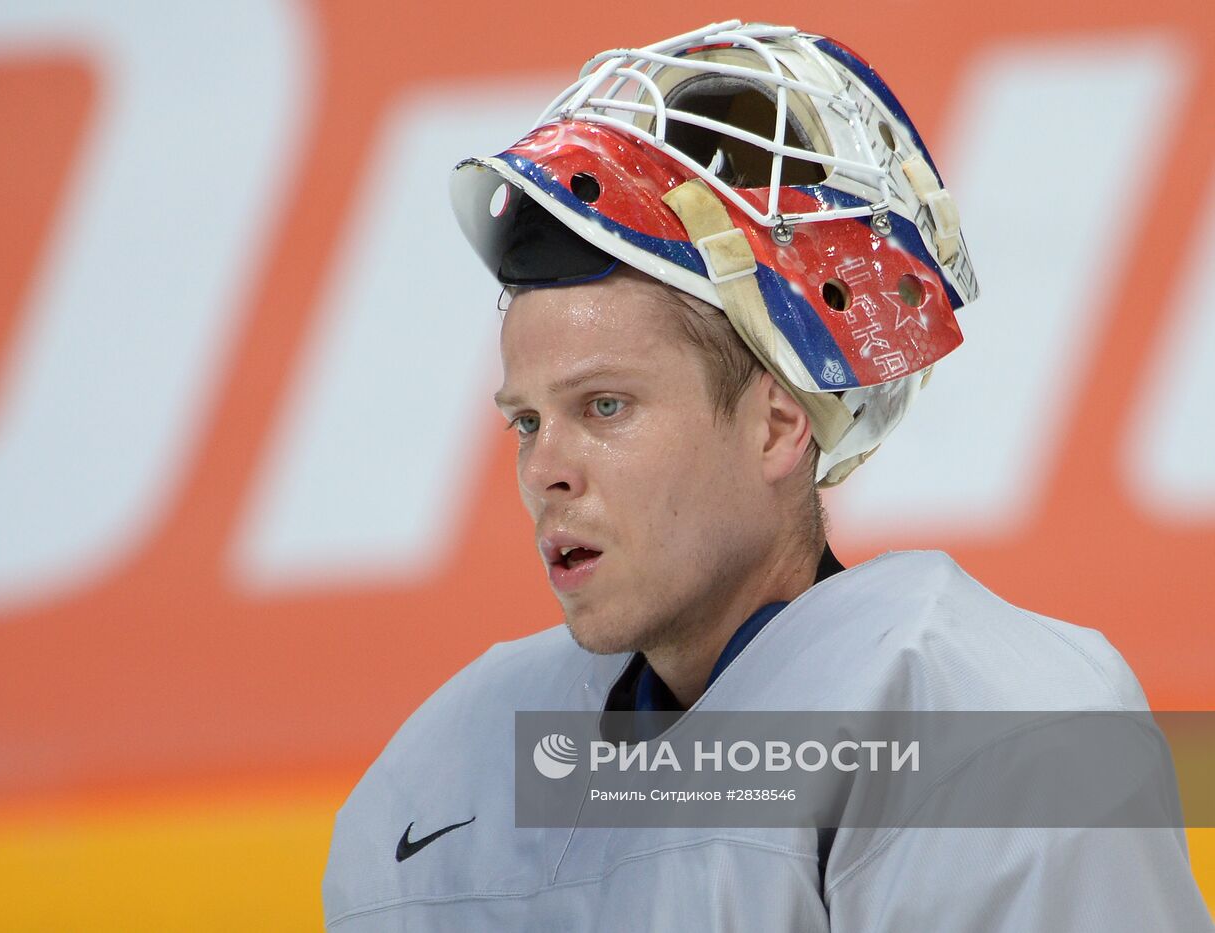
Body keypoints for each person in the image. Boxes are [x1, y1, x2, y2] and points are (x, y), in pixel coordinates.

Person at [323, 20, 1212, 930]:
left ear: (778, 425)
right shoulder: (444, 780)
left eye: (605, 407)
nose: (543, 471)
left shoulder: (994, 731)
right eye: (526, 421)